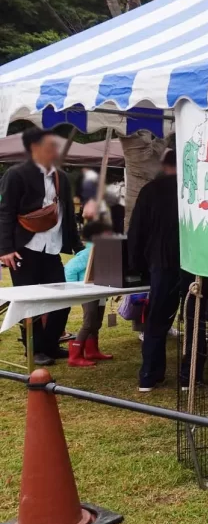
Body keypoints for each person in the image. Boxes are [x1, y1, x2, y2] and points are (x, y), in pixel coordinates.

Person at [0, 128, 83, 366]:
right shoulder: (16, 174)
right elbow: (5, 213)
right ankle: (34, 349)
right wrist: (4, 248)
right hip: (23, 248)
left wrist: (76, 244)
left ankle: (50, 344)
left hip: (52, 247)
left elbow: (67, 214)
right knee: (29, 302)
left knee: (62, 300)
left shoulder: (61, 177)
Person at [129, 148, 184, 392]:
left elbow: (136, 232)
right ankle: (189, 377)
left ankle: (149, 375)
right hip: (195, 261)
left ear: (164, 165)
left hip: (162, 262)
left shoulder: (150, 190)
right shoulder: (193, 188)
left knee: (157, 321)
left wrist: (136, 266)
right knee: (196, 321)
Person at [64, 220, 116, 367]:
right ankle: (74, 356)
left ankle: (92, 350)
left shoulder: (108, 251)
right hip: (87, 292)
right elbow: (69, 269)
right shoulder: (89, 253)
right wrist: (76, 289)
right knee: (88, 323)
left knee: (97, 322)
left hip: (100, 291)